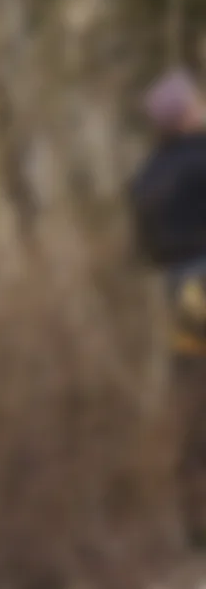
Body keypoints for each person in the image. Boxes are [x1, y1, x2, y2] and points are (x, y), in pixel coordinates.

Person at [129, 67, 206, 544]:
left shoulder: (148, 174)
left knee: (193, 402)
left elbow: (145, 249)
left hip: (178, 297)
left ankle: (193, 523)